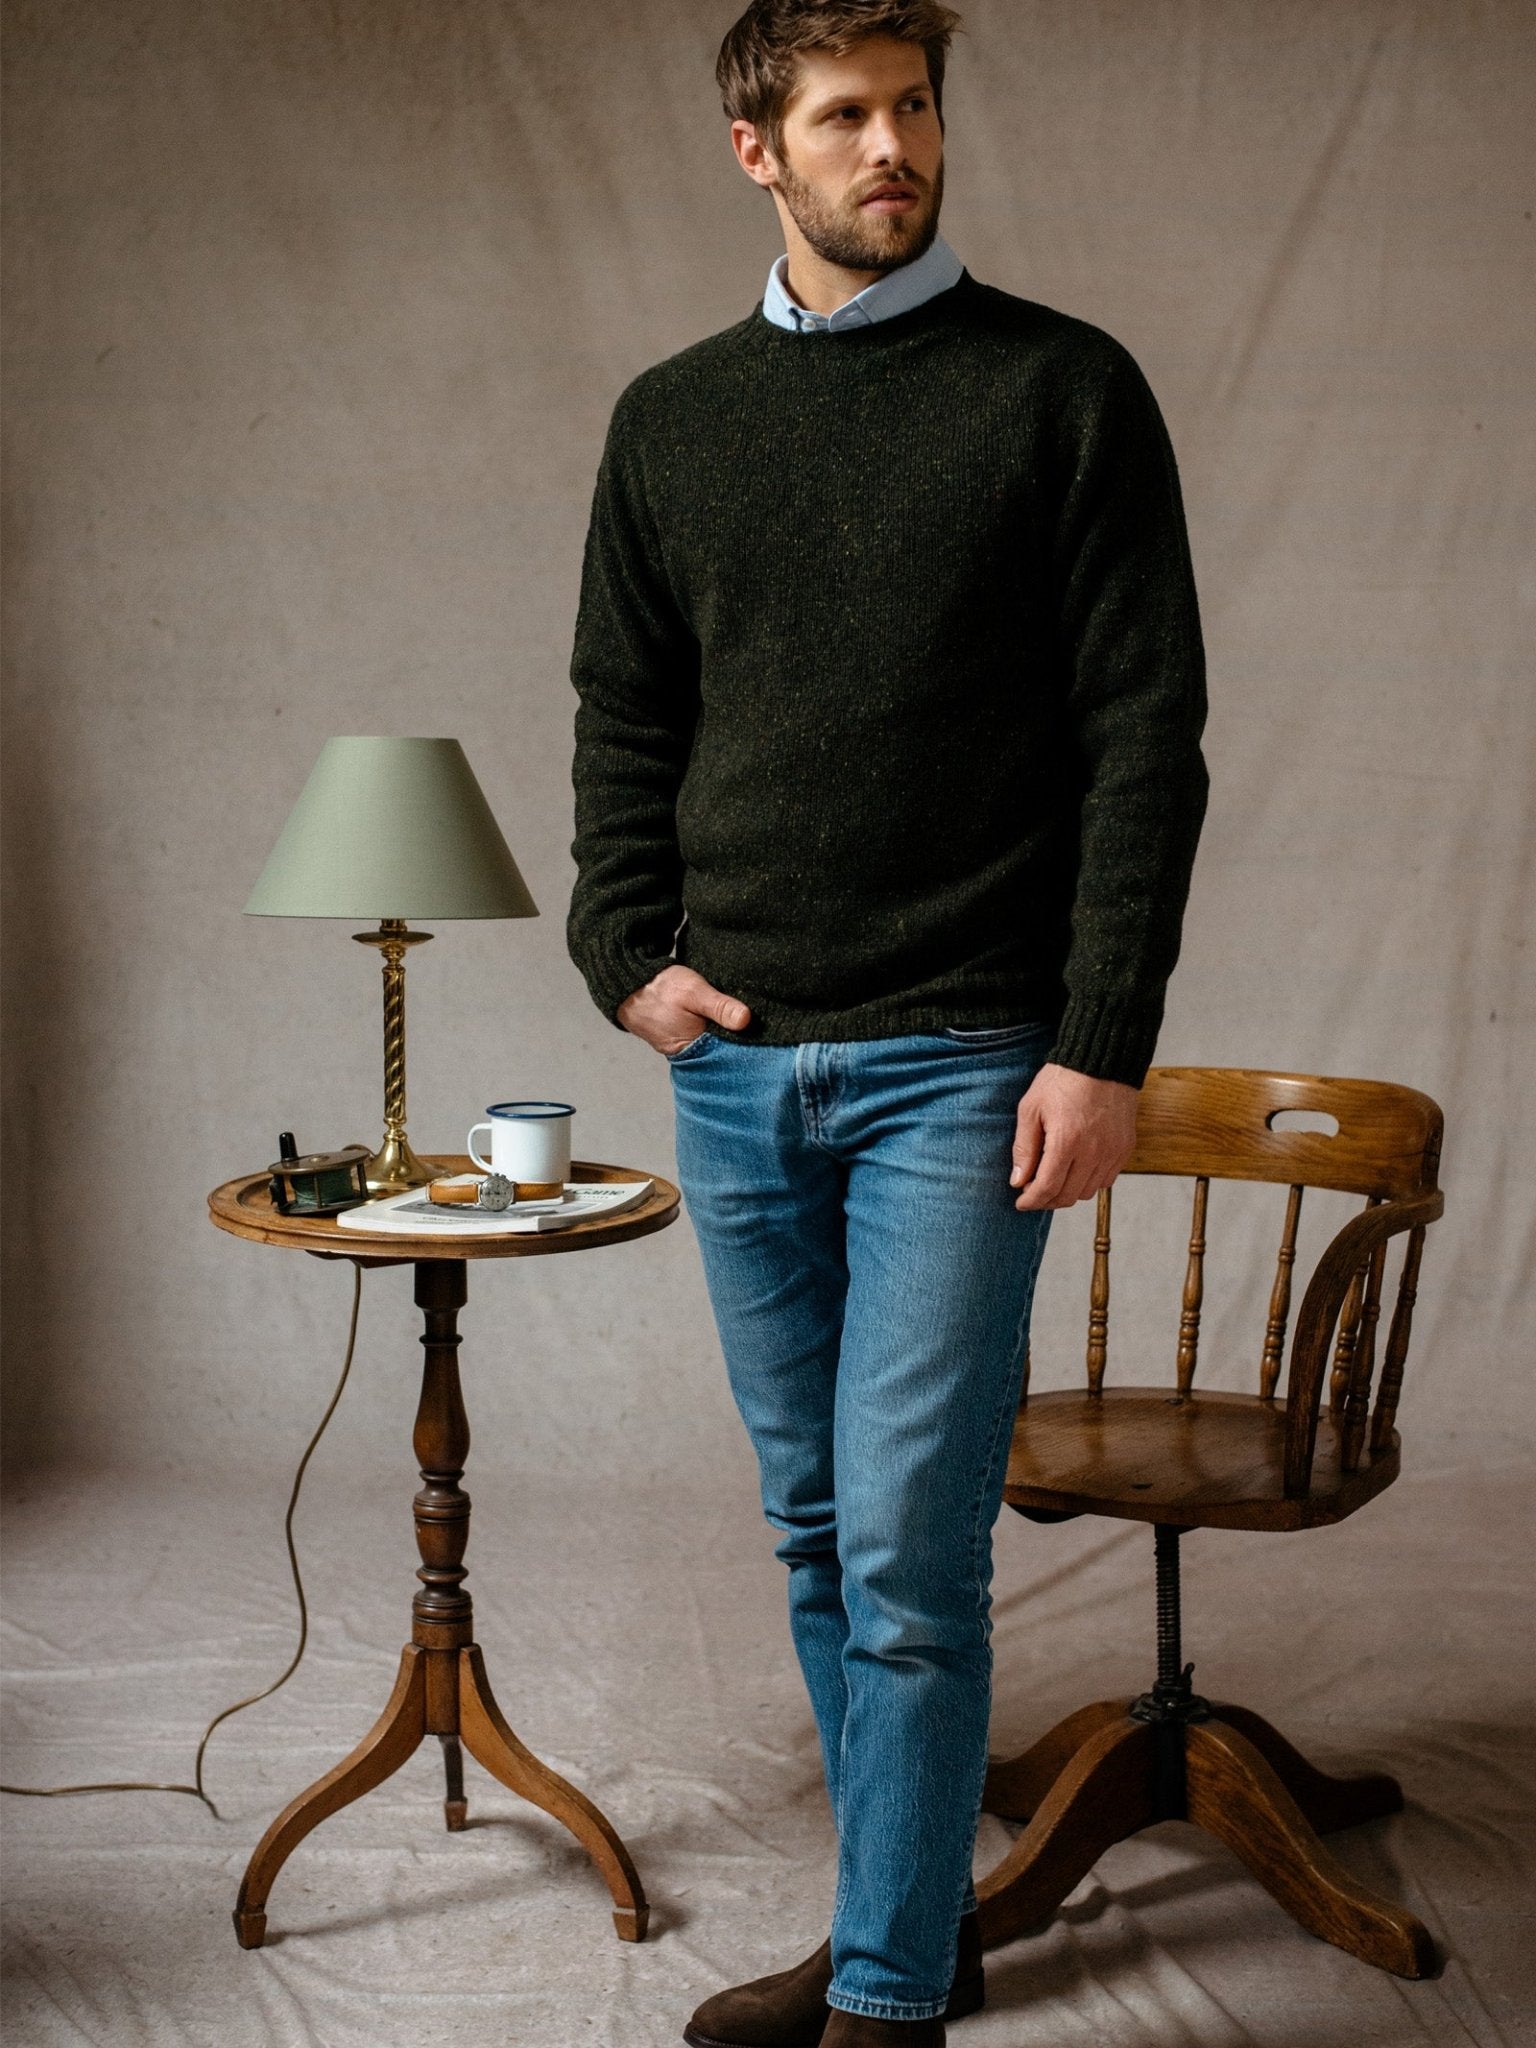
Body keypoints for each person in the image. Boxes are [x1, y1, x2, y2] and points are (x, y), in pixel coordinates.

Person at [565, 3, 1209, 2041]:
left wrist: (1101, 1042)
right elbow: (626, 716)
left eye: (914, 106)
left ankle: (885, 1994)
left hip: (968, 1063)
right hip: (738, 1066)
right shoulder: (672, 421)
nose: (893, 146)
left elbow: (1146, 740)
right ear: (757, 149)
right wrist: (621, 948)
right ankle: (906, 1922)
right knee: (817, 1536)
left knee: (912, 1556)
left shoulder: (1062, 391)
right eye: (845, 114)